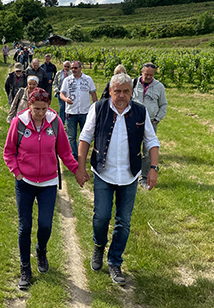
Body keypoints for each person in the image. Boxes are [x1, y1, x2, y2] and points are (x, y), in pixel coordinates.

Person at [75, 73, 160, 285]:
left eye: (126, 91)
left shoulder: (140, 111)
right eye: (117, 91)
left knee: (124, 222)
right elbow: (85, 137)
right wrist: (80, 166)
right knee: (101, 217)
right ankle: (99, 245)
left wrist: (153, 168)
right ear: (110, 91)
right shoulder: (99, 108)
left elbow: (151, 140)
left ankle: (114, 261)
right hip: (103, 173)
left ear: (132, 92)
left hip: (130, 175)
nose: (122, 95)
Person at [4, 88, 80, 290]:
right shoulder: (18, 124)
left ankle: (41, 250)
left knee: (45, 225)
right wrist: (17, 173)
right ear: (29, 106)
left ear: (49, 107)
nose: (39, 113)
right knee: (25, 227)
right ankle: (25, 268)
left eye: (43, 109)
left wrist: (76, 170)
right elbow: (8, 152)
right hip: (25, 183)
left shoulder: (55, 123)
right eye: (36, 109)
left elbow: (64, 151)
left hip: (48, 183)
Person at [131, 62, 167, 190]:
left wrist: (157, 119)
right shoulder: (133, 83)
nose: (148, 77)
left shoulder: (159, 87)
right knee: (132, 149)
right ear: (141, 71)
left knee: (147, 152)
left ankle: (144, 177)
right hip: (133, 122)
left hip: (150, 123)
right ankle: (132, 174)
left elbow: (163, 105)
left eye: (151, 75)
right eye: (146, 74)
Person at [59, 60, 98, 159]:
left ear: (81, 68)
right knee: (71, 136)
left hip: (85, 112)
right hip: (71, 112)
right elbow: (61, 94)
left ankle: (82, 154)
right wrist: (65, 99)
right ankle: (75, 156)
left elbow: (93, 94)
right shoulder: (67, 80)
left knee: (85, 136)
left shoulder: (88, 79)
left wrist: (96, 108)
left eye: (75, 68)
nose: (73, 70)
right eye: (72, 68)